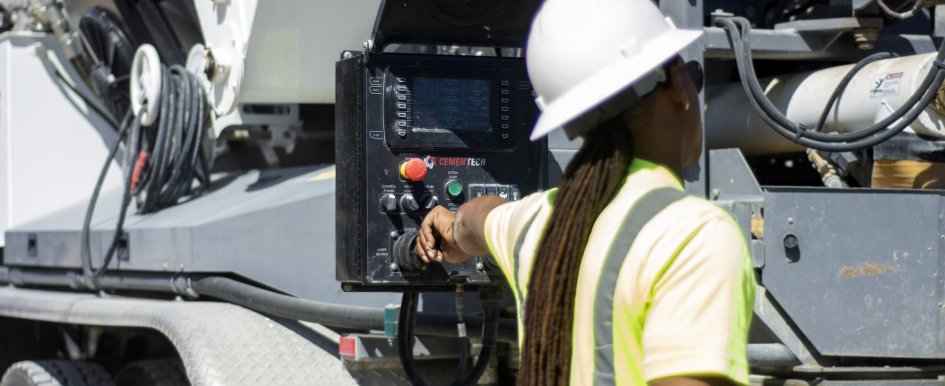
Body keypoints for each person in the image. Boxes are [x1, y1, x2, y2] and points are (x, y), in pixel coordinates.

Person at [415, 0, 756, 385]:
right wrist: (461, 229)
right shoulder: (692, 235)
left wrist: (451, 226)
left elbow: (478, 219)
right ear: (678, 84)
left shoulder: (538, 224)